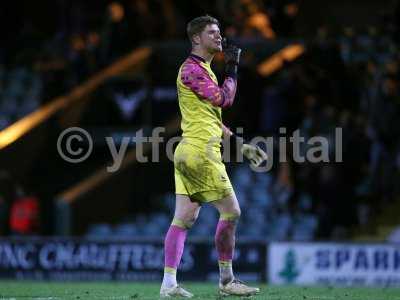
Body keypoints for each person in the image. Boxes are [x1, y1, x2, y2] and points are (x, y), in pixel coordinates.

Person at [160, 15, 267, 298]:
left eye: (219, 32)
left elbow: (212, 119)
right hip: (199, 153)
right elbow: (224, 99)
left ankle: (168, 284)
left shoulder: (204, 69)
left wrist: (240, 145)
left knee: (182, 219)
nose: (219, 37)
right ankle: (226, 280)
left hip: (188, 152)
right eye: (212, 32)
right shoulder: (191, 70)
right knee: (232, 211)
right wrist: (232, 69)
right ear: (196, 38)